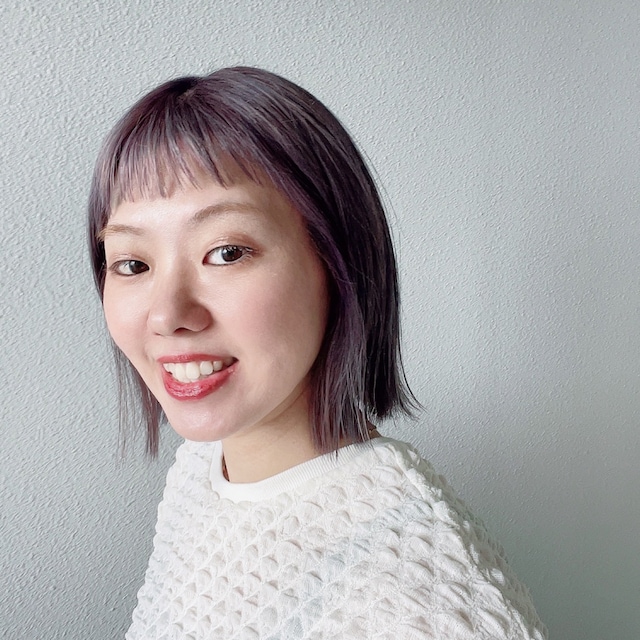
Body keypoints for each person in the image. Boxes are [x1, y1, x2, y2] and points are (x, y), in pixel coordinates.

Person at [88, 67, 547, 639]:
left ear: (338, 262)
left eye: (227, 252)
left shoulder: (416, 610)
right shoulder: (200, 471)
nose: (167, 314)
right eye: (132, 264)